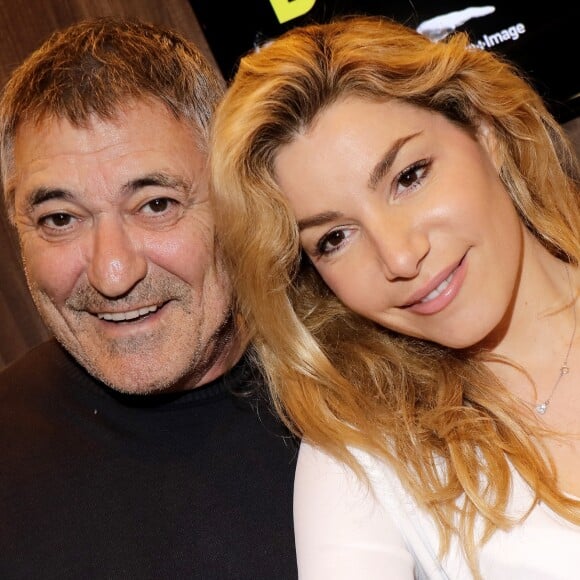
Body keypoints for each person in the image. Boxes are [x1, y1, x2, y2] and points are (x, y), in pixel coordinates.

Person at [209, 14, 580, 579]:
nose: (400, 258)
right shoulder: (362, 456)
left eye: (409, 176)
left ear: (485, 133)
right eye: (334, 238)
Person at [0, 17, 298, 578]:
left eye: (157, 205)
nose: (113, 273)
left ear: (237, 197)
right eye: (60, 219)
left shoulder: (370, 380)